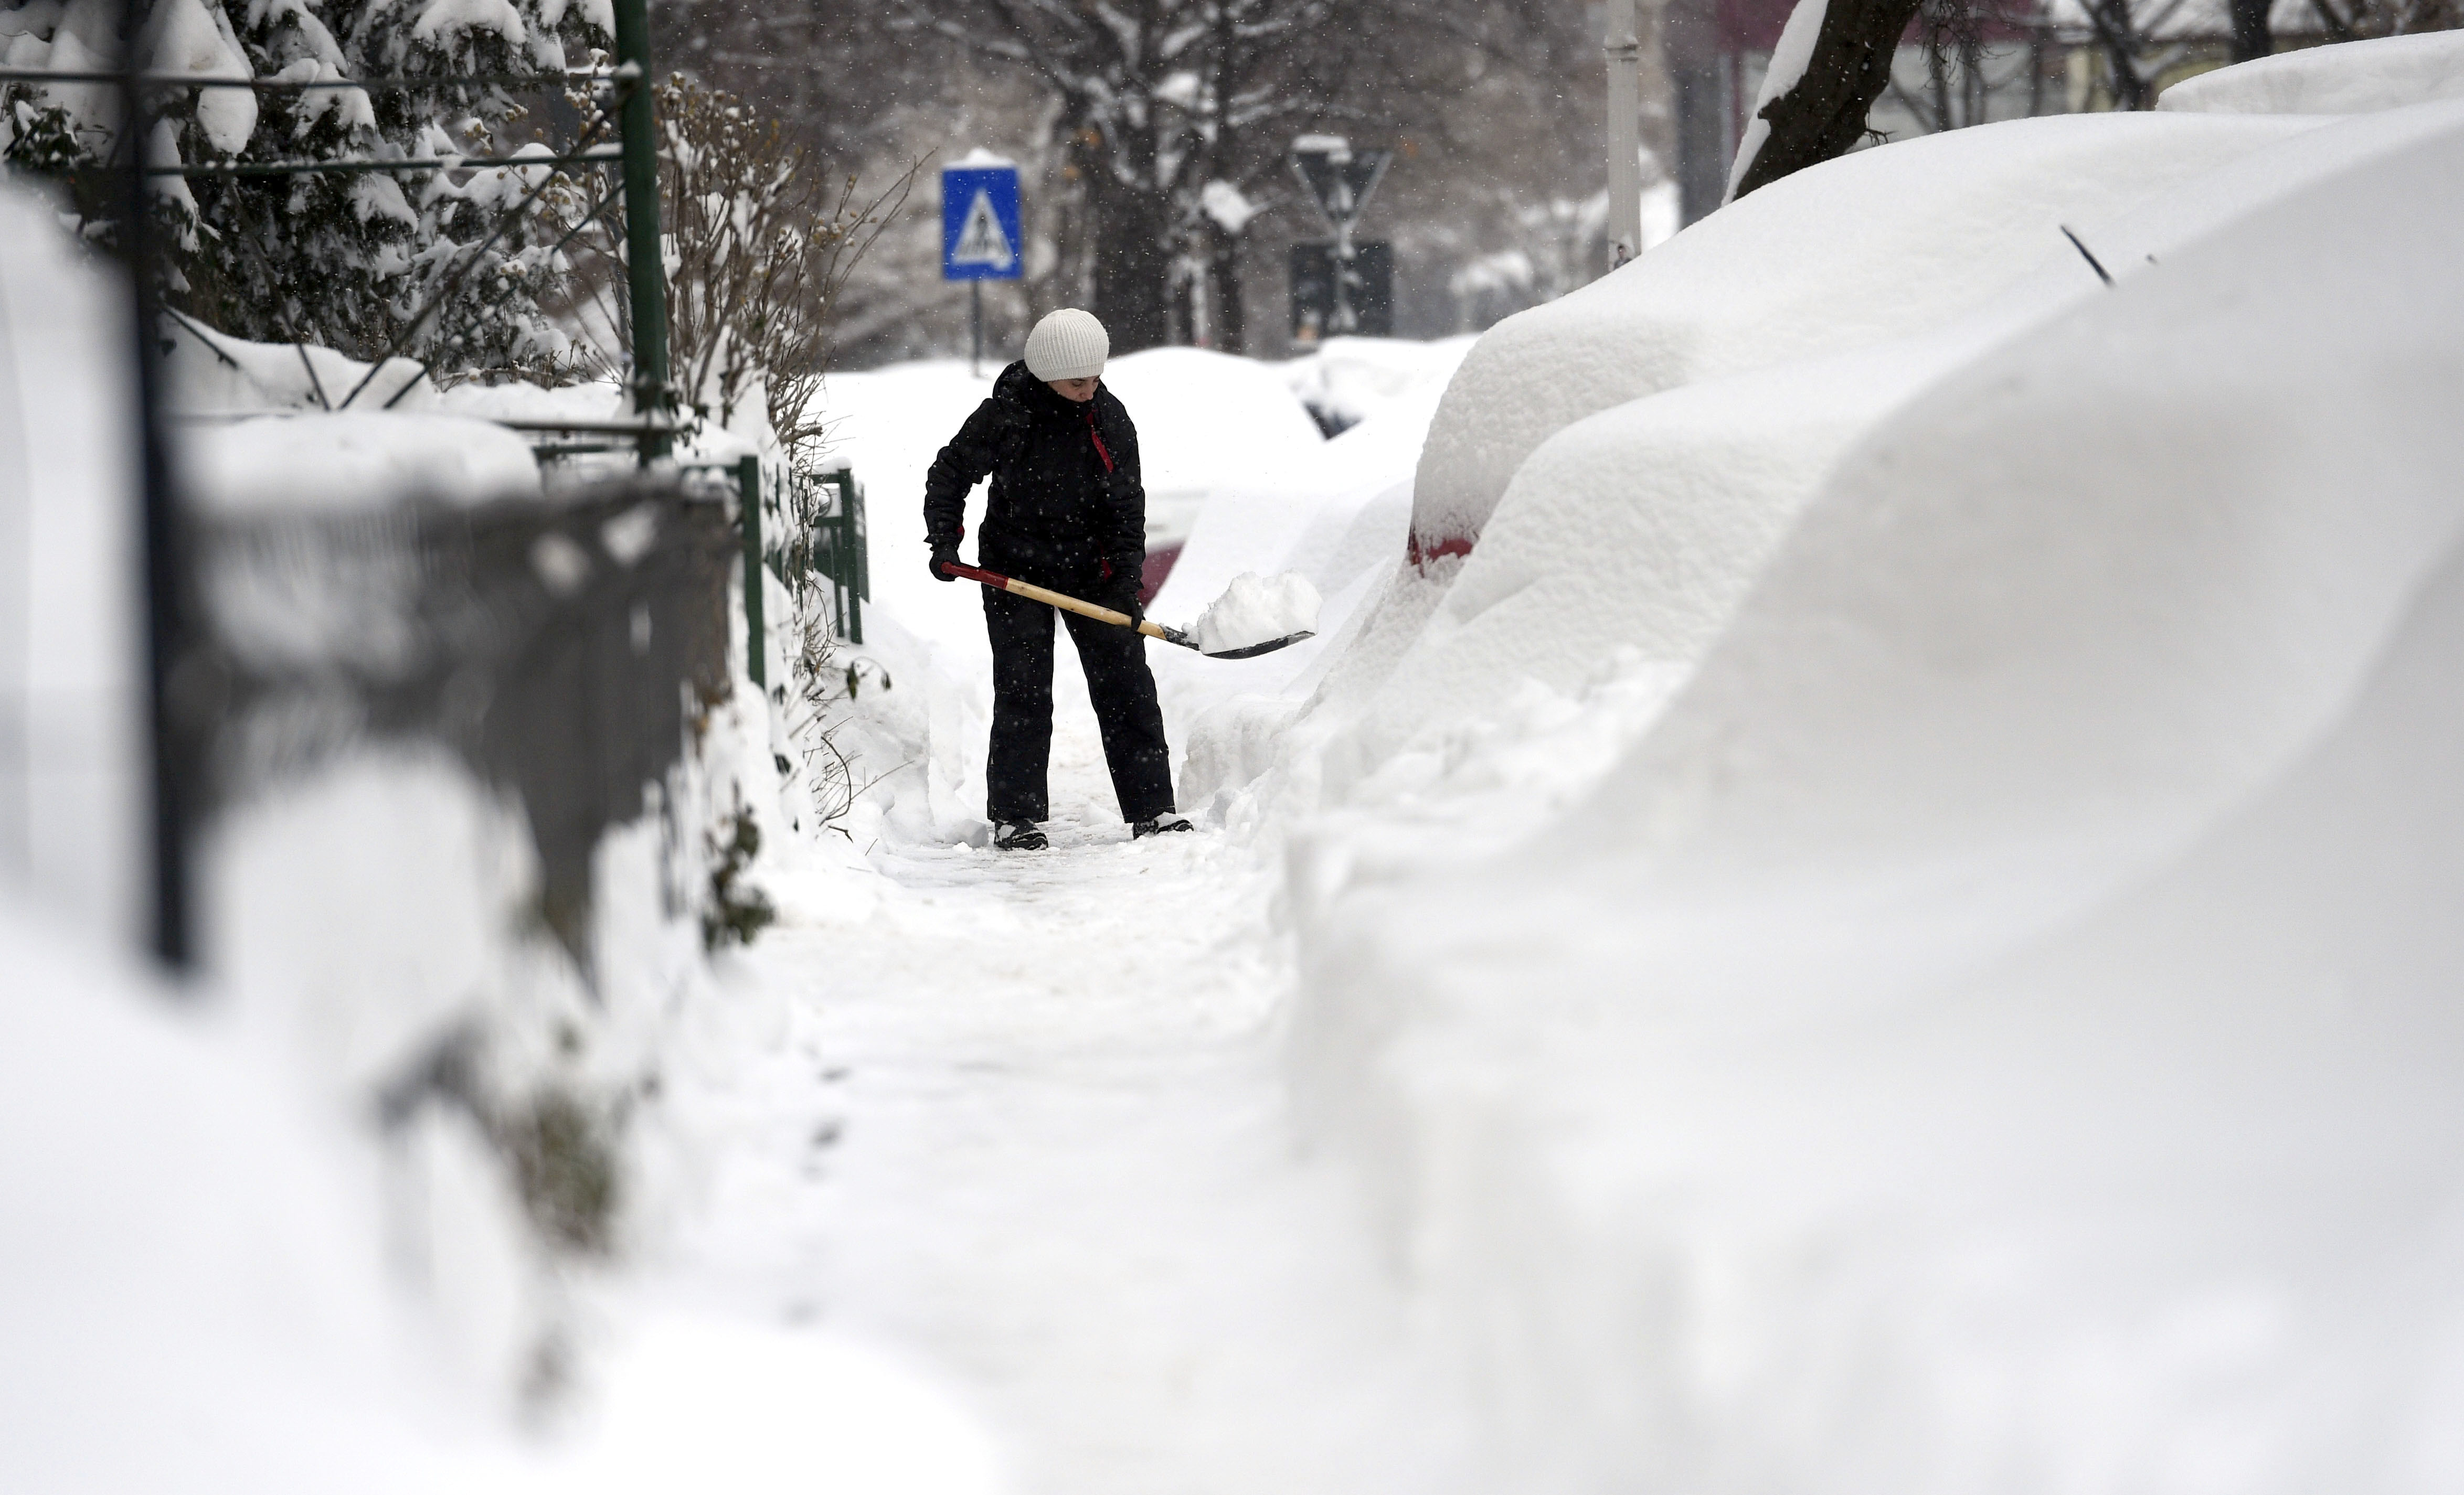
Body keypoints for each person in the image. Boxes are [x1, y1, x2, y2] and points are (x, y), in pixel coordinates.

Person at [924, 308, 1194, 851]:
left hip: (1091, 568)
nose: (1089, 390)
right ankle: (1015, 816)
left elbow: (1126, 509)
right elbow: (950, 473)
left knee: (1126, 683)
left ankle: (1153, 809)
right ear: (1047, 373)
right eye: (1077, 382)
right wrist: (944, 539)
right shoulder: (1006, 415)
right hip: (1013, 565)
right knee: (1023, 688)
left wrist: (1125, 583)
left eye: (1095, 378)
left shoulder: (1109, 420)